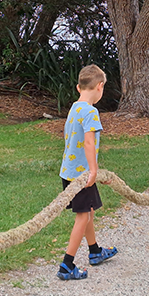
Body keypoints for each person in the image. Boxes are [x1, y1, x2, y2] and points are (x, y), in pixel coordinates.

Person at [57, 64, 117, 280]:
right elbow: (89, 143)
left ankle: (95, 251)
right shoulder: (91, 112)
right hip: (81, 176)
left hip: (68, 172)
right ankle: (67, 265)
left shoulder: (75, 108)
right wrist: (94, 170)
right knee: (83, 217)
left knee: (88, 212)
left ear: (78, 88)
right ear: (100, 87)